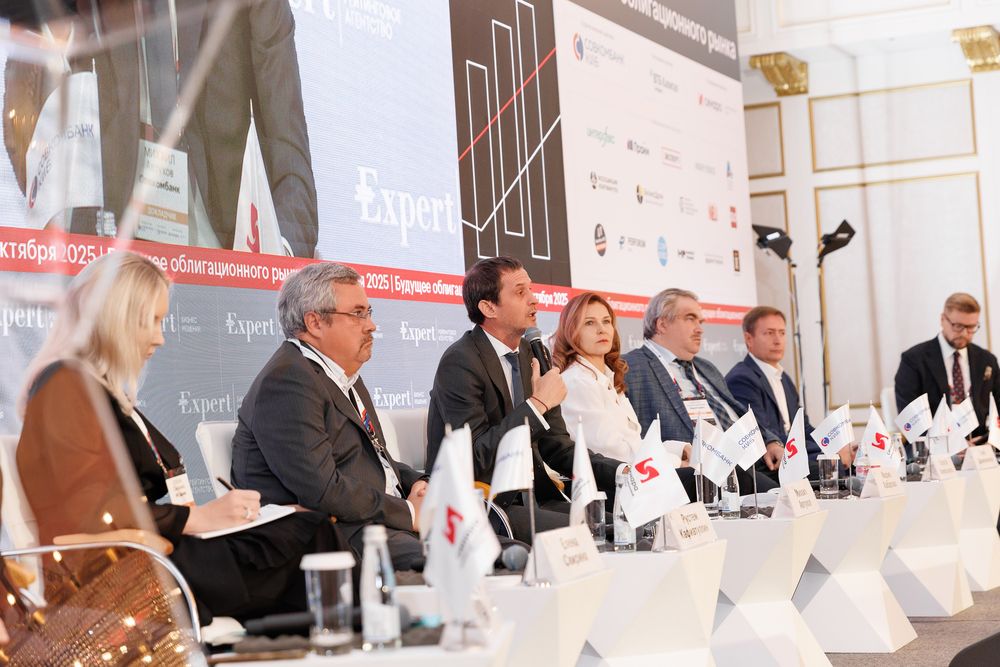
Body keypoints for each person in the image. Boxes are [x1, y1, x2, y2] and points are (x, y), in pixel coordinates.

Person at [16, 252, 343, 622]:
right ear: (116, 319)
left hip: (154, 553)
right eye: (152, 322)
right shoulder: (64, 385)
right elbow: (88, 512)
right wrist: (194, 519)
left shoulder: (95, 387)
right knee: (311, 535)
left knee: (303, 527)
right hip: (126, 573)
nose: (160, 338)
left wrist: (207, 518)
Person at [3, 0, 318, 256]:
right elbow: (26, 113)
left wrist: (281, 254)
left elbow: (286, 135)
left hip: (224, 241)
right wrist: (61, 223)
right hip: (104, 242)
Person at [231, 262, 428, 570]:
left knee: (499, 549)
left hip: (376, 524)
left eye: (368, 312)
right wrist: (410, 512)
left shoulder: (343, 376)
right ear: (315, 322)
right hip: (338, 538)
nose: (371, 325)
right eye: (358, 314)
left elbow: (375, 461)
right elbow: (322, 490)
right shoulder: (287, 381)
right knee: (470, 563)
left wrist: (420, 484)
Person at [426, 257, 632, 543]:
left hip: (535, 496)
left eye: (531, 290)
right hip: (482, 502)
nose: (534, 300)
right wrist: (537, 405)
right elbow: (472, 458)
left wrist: (622, 471)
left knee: (625, 524)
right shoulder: (460, 361)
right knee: (596, 535)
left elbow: (558, 447)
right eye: (520, 292)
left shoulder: (531, 353)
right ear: (488, 308)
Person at [623, 288, 780, 491]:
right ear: (662, 324)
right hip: (704, 472)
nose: (699, 329)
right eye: (690, 319)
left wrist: (770, 442)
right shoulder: (631, 368)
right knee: (785, 492)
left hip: (752, 458)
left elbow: (737, 412)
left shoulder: (706, 367)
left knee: (809, 473)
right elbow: (632, 438)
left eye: (700, 322)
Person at [726, 306, 820, 479]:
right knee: (825, 467)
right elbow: (764, 433)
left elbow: (803, 427)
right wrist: (822, 452)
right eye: (769, 333)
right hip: (771, 462)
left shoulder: (784, 378)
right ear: (749, 339)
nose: (777, 340)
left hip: (793, 453)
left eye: (782, 333)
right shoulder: (741, 379)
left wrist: (831, 444)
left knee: (844, 461)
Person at [895, 292, 1000, 445]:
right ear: (943, 319)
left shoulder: (987, 360)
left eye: (971, 327)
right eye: (958, 326)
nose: (964, 333)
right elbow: (910, 418)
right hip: (933, 448)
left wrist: (986, 439)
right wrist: (950, 445)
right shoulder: (914, 360)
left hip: (978, 446)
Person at [552, 291, 643, 462]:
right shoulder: (576, 382)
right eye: (589, 323)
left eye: (606, 321)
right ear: (571, 331)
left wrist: (677, 450)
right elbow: (616, 454)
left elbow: (634, 442)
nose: (602, 329)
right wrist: (673, 460)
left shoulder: (607, 377)